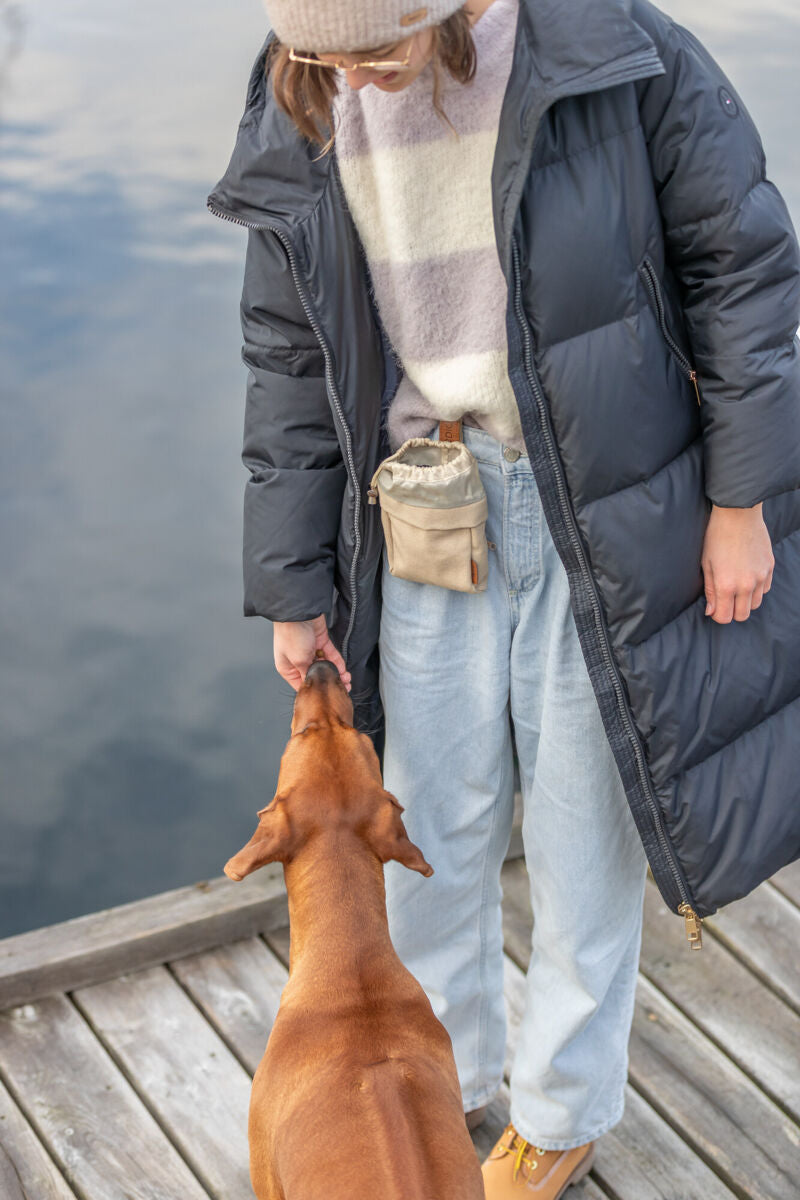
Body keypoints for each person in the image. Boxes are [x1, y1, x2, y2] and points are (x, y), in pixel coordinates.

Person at [208, 1, 800, 1196]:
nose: (348, 84)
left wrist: (739, 499)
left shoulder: (619, 53)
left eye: (372, 53)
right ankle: (446, 1075)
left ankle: (562, 1111)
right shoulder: (301, 90)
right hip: (423, 498)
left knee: (583, 833)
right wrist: (292, 586)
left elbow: (744, 276)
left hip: (608, 510)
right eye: (322, 57)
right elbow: (287, 353)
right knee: (426, 825)